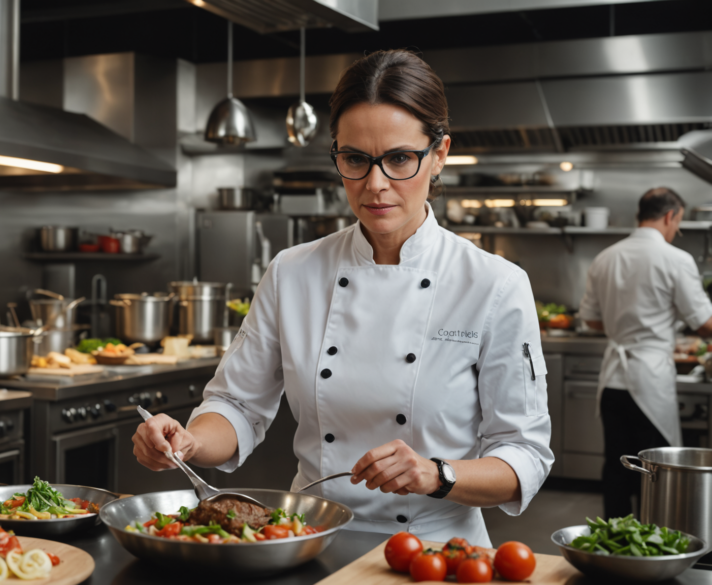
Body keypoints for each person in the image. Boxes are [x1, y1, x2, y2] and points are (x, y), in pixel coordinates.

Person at [132, 49, 553, 545]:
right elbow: (237, 405)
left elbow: (523, 454)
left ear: (439, 155)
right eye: (355, 159)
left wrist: (437, 474)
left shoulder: (494, 284)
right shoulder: (293, 271)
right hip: (308, 538)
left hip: (436, 553)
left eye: (399, 159)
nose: (375, 185)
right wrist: (190, 440)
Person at [579, 187, 712, 519]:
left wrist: (625, 323)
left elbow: (592, 321)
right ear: (670, 216)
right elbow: (705, 324)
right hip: (649, 379)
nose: (676, 230)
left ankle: (614, 543)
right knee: (654, 468)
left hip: (612, 379)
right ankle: (653, 541)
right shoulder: (675, 259)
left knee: (617, 465)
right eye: (677, 223)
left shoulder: (605, 257)